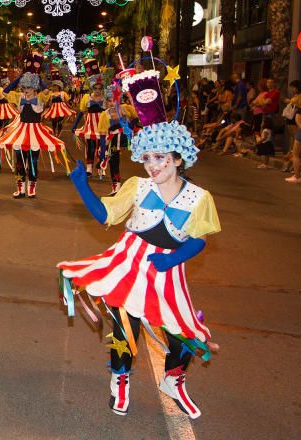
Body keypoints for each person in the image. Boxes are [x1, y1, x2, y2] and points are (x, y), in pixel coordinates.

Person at [59, 63, 220, 419]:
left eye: (160, 157)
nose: (152, 165)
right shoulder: (138, 187)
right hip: (129, 262)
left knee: (184, 332)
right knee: (125, 328)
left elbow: (200, 239)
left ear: (178, 158)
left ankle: (173, 381)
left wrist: (174, 259)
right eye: (146, 157)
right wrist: (82, 186)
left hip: (169, 272)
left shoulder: (198, 197)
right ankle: (120, 378)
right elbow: (106, 216)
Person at [0, 68, 67, 199]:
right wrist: (19, 78)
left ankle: (32, 189)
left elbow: (45, 90)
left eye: (28, 86)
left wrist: (37, 77)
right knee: (20, 162)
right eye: (24, 86)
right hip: (21, 132)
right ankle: (20, 189)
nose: (25, 89)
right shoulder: (19, 97)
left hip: (36, 132)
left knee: (33, 161)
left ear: (34, 87)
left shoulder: (40, 98)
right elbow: (5, 92)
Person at [74, 60, 108, 177]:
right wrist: (75, 125)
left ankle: (101, 167)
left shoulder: (106, 98)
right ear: (92, 88)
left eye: (99, 88)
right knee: (90, 148)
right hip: (90, 126)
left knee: (102, 148)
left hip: (103, 126)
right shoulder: (87, 98)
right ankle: (89, 168)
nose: (97, 90)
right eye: (95, 88)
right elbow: (81, 112)